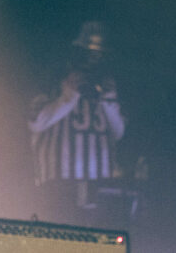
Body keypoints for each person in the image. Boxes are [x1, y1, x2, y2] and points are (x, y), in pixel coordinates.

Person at [28, 20, 127, 227]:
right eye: (89, 54)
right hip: (59, 180)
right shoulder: (52, 80)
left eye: (99, 55)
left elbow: (118, 132)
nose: (94, 60)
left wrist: (109, 100)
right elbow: (36, 122)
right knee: (59, 231)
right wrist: (69, 94)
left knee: (95, 235)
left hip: (98, 180)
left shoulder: (105, 85)